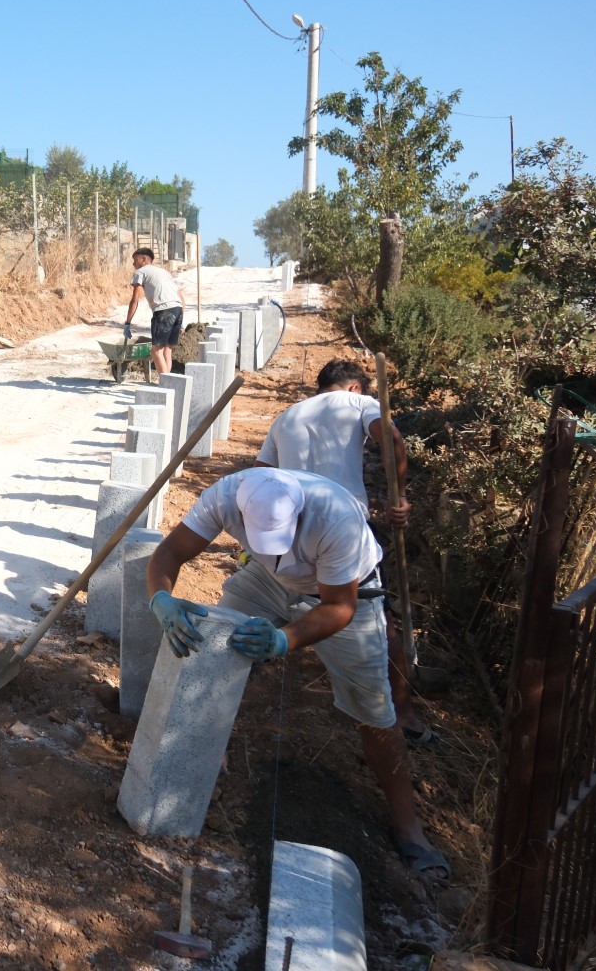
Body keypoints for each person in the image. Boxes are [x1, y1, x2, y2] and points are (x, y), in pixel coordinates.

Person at [146, 467, 449, 880]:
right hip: (268, 578)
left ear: (298, 513)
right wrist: (160, 598)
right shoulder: (227, 495)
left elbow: (339, 607)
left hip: (347, 595)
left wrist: (283, 640)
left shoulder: (335, 516)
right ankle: (191, 760)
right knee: (214, 640)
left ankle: (408, 827)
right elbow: (169, 554)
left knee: (372, 706)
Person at [256, 358, 430, 744]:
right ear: (355, 388)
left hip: (288, 534)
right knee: (375, 618)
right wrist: (398, 498)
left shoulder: (286, 416)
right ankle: (404, 717)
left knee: (282, 597)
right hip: (343, 531)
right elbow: (393, 440)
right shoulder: (361, 404)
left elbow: (259, 472)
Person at [123, 247, 184, 376]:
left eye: (135, 260)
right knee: (167, 350)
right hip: (178, 310)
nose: (133, 263)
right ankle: (169, 384)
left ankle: (165, 386)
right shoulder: (164, 272)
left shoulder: (141, 272)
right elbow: (180, 296)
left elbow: (135, 300)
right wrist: (181, 321)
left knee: (156, 351)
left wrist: (127, 323)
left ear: (144, 259)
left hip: (163, 312)